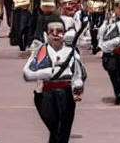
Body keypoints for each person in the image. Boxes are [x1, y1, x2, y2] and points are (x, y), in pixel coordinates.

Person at [23, 13, 85, 143]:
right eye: (52, 32)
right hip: (46, 94)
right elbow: (27, 73)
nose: (56, 34)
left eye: (60, 31)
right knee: (55, 127)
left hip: (66, 93)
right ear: (46, 34)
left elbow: (80, 73)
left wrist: (77, 86)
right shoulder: (40, 52)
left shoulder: (71, 52)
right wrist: (48, 72)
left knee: (63, 130)